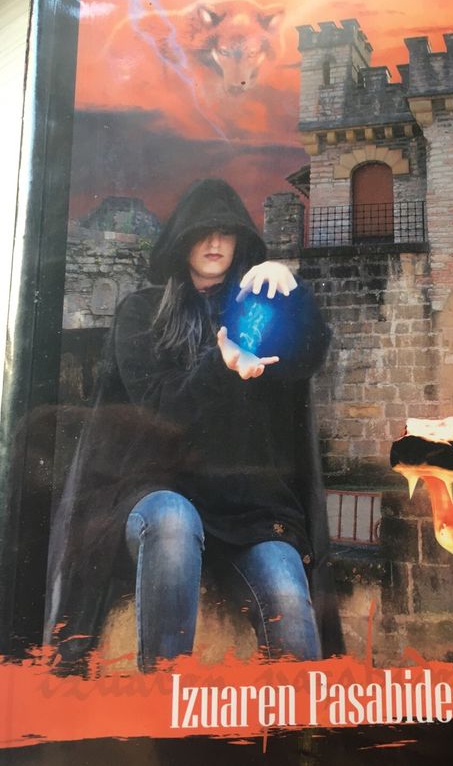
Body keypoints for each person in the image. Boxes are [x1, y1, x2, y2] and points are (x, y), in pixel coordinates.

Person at [45, 179, 344, 671]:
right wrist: (219, 368)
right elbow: (161, 413)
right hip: (159, 489)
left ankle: (298, 720)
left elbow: (306, 356)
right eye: (203, 232)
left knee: (289, 599)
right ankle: (163, 694)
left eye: (226, 232)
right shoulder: (143, 312)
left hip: (247, 509)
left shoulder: (254, 306)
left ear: (240, 240)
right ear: (182, 239)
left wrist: (290, 292)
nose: (214, 243)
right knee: (172, 518)